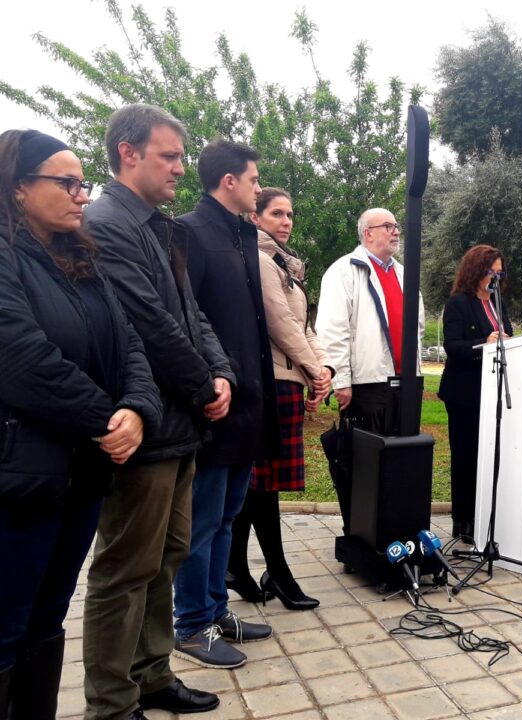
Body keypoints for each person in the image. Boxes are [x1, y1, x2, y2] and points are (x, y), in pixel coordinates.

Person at [0, 129, 160, 720]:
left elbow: (132, 346)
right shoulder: (5, 256)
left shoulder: (80, 258)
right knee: (7, 622)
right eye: (65, 183)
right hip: (20, 477)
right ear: (19, 188)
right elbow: (20, 357)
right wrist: (106, 419)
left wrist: (138, 409)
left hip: (83, 474)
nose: (80, 195)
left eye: (82, 183)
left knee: (46, 617)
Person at [83, 104, 235, 720]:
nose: (180, 166)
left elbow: (191, 313)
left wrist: (221, 371)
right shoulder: (106, 223)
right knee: (125, 570)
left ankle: (151, 677)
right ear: (128, 152)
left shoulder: (156, 225)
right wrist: (204, 385)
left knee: (168, 555)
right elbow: (149, 323)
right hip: (144, 422)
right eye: (168, 155)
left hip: (181, 426)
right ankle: (113, 705)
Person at [173, 140, 278, 668]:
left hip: (250, 401)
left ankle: (215, 610)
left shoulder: (242, 236)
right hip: (216, 404)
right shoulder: (190, 232)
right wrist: (208, 384)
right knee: (203, 519)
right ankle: (191, 624)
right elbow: (183, 320)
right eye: (255, 180)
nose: (259, 188)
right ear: (229, 181)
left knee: (230, 514)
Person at [227, 188, 332, 610]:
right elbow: (279, 323)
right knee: (261, 483)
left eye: (290, 213)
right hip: (270, 380)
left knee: (262, 485)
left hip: (288, 378)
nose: (286, 221)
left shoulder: (283, 263)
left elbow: (303, 325)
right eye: (276, 213)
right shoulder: (257, 258)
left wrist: (323, 368)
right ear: (256, 218)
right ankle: (272, 571)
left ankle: (243, 566)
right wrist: (311, 370)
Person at [317, 208, 424, 528]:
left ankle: (394, 528)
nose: (395, 232)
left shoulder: (406, 274)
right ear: (367, 234)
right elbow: (333, 330)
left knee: (402, 458)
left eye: (397, 226)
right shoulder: (344, 271)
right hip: (367, 384)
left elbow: (417, 326)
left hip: (407, 384)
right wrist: (342, 380)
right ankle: (360, 531)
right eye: (387, 226)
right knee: (364, 461)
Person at [438, 245, 513, 541]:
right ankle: (463, 520)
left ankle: (488, 513)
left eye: (499, 273)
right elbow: (452, 347)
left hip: (493, 391)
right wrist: (485, 342)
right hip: (464, 394)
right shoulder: (459, 302)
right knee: (465, 456)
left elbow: (506, 335)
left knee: (489, 456)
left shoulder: (497, 302)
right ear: (474, 271)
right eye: (489, 272)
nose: (494, 278)